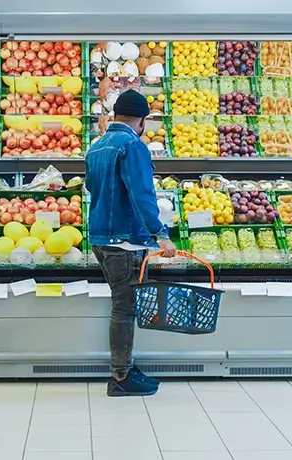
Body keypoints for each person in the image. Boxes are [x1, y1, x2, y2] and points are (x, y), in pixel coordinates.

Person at [85, 89, 176, 397]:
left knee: (123, 305)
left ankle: (125, 367)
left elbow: (91, 187)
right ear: (142, 121)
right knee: (124, 308)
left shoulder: (97, 146)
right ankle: (121, 377)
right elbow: (141, 194)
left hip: (100, 236)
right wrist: (160, 233)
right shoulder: (132, 146)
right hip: (123, 240)